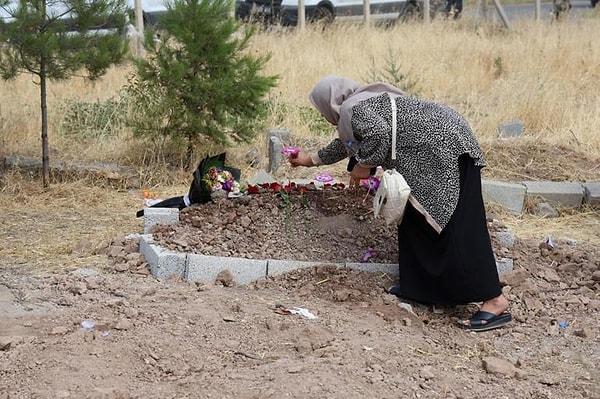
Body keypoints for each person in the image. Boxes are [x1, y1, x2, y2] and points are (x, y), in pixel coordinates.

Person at [289, 75, 512, 332]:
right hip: (441, 144)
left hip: (446, 149)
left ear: (329, 102)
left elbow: (379, 134)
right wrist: (311, 160)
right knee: (417, 218)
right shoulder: (360, 104)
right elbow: (349, 143)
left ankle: (495, 300)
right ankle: (423, 288)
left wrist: (363, 166)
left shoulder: (353, 109)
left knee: (458, 224)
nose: (323, 115)